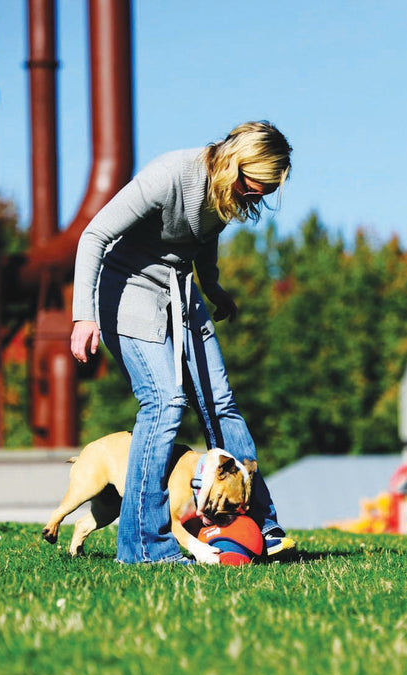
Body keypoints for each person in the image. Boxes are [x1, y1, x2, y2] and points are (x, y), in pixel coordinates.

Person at [69, 120, 296, 564]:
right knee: (165, 401)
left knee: (221, 402)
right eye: (257, 184)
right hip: (128, 287)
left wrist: (211, 288)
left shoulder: (227, 191)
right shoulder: (169, 174)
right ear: (236, 162)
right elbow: (93, 235)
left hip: (181, 293)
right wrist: (83, 314)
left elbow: (200, 240)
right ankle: (143, 547)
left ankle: (259, 522)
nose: (259, 196)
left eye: (267, 190)